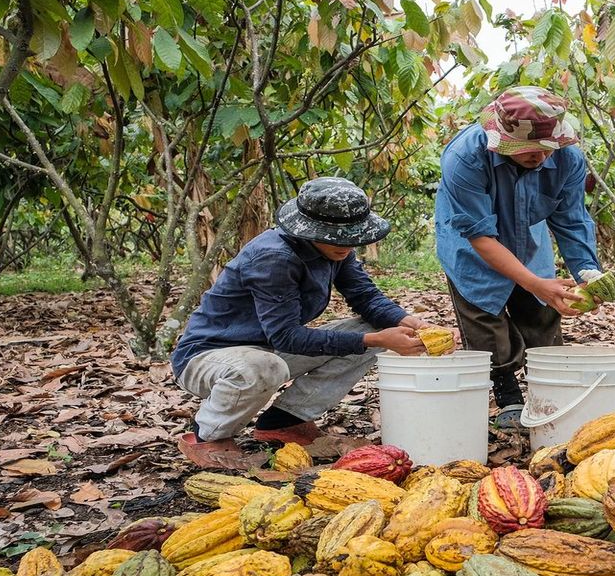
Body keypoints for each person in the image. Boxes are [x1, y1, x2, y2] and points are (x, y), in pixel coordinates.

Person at [170, 177, 456, 469]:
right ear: (308, 229)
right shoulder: (274, 257)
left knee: (371, 330)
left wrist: (413, 323)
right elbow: (286, 337)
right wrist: (378, 340)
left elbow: (365, 297)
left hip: (266, 348)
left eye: (351, 237)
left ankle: (285, 421)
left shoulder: (335, 249)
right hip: (208, 357)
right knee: (266, 367)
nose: (345, 245)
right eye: (335, 237)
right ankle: (209, 436)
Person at [434, 86, 603, 428]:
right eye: (527, 150)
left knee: (541, 315)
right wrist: (535, 283)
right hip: (471, 242)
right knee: (484, 318)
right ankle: (506, 389)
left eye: (546, 150)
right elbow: (480, 235)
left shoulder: (569, 159)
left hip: (528, 233)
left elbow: (571, 220)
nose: (539, 158)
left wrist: (589, 274)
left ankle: (549, 390)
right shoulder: (465, 157)